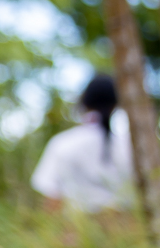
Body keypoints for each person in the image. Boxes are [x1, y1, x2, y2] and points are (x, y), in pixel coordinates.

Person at [30, 74, 134, 212]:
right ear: (116, 104)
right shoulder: (130, 147)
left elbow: (52, 199)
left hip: (75, 230)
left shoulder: (62, 144)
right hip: (125, 230)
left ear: (84, 103)